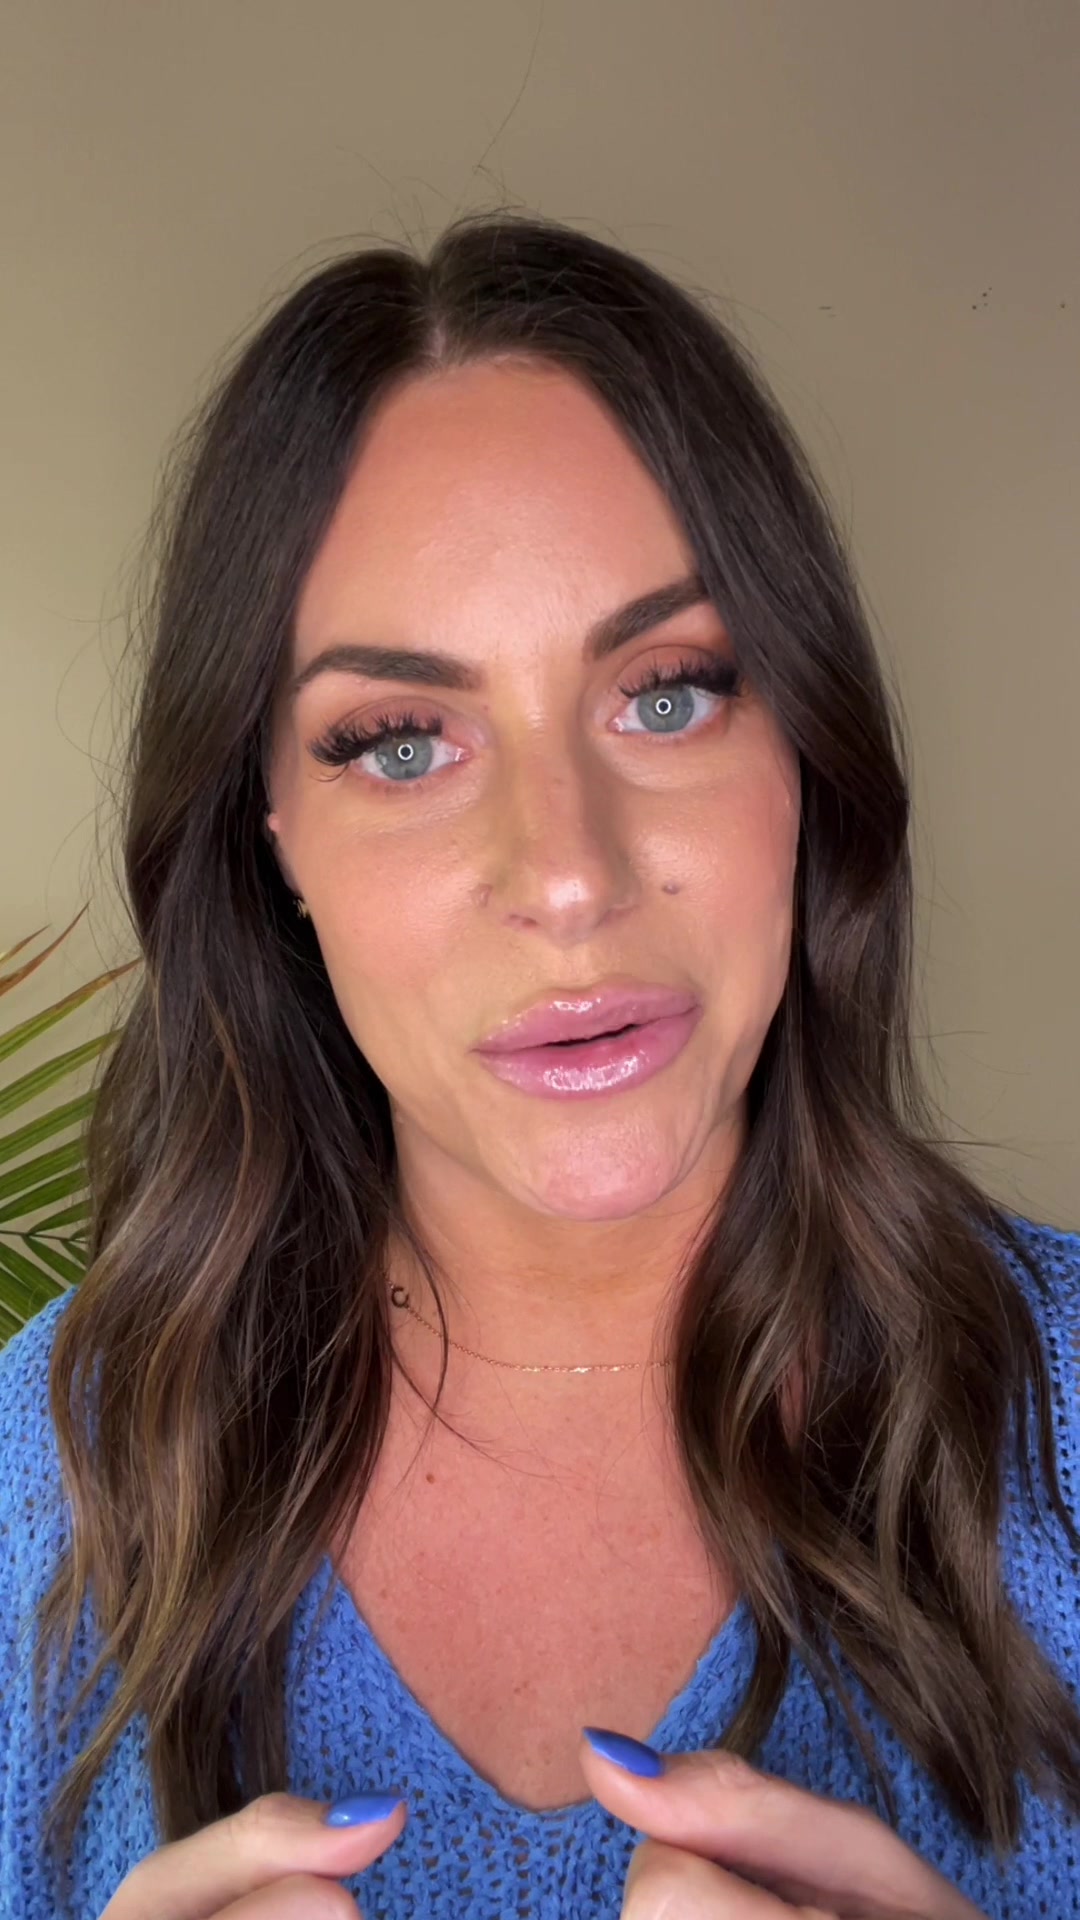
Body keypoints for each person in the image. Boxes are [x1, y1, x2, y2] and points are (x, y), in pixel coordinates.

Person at [1, 210, 1077, 1920]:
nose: (567, 875)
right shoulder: (41, 1473)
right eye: (399, 743)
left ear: (806, 751)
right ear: (270, 829)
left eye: (669, 694)